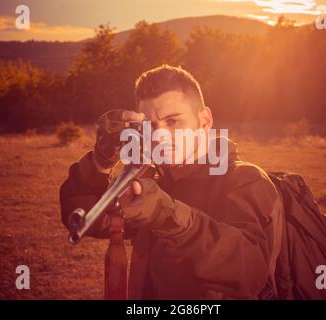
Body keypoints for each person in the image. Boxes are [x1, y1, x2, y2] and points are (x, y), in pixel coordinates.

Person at [59, 64, 284, 299]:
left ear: (205, 120)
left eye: (173, 121)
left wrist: (168, 216)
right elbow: (87, 219)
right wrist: (100, 159)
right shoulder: (155, 180)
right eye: (151, 126)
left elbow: (249, 271)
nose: (160, 136)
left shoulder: (247, 180)